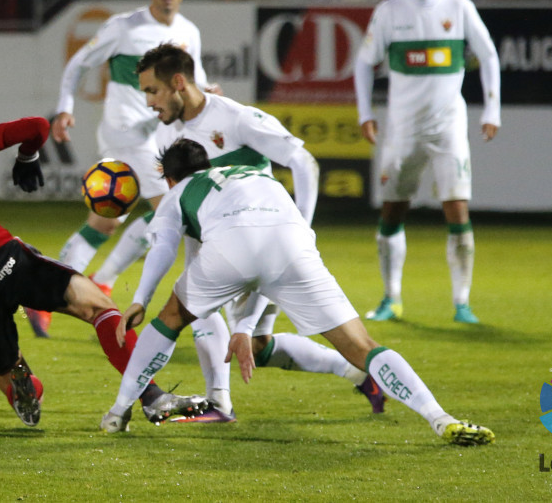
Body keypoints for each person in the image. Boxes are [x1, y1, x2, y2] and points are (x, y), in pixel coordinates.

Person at [100, 138, 495, 448]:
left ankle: (118, 413)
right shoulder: (254, 177)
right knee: (362, 345)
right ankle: (440, 417)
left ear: (169, 178)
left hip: (231, 248)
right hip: (294, 245)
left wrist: (141, 298)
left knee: (170, 319)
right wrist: (247, 325)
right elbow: (264, 264)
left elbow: (165, 247)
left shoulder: (177, 193)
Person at [0, 92, 208, 427]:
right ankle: (151, 397)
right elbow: (35, 127)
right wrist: (27, 158)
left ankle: (21, 383)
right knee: (98, 308)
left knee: (16, 380)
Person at [135, 43, 385, 422]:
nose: (149, 102)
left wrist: (302, 223)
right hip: (215, 249)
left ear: (178, 83)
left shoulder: (235, 117)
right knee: (249, 340)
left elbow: (302, 161)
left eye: (152, 91)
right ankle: (355, 374)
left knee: (233, 330)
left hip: (260, 244)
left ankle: (221, 403)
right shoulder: (168, 136)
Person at [25, 0, 217, 338]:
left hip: (160, 135)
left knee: (106, 221)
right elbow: (78, 63)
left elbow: (192, 83)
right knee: (171, 211)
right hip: (126, 133)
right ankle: (105, 280)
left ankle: (42, 292)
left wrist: (208, 94)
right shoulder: (124, 27)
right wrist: (64, 108)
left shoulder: (189, 33)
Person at [353, 0, 501, 325]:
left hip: (448, 127)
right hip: (403, 129)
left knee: (457, 208)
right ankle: (391, 298)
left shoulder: (458, 6)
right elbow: (364, 63)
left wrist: (492, 109)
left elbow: (488, 55)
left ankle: (462, 302)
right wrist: (365, 113)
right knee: (392, 211)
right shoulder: (389, 11)